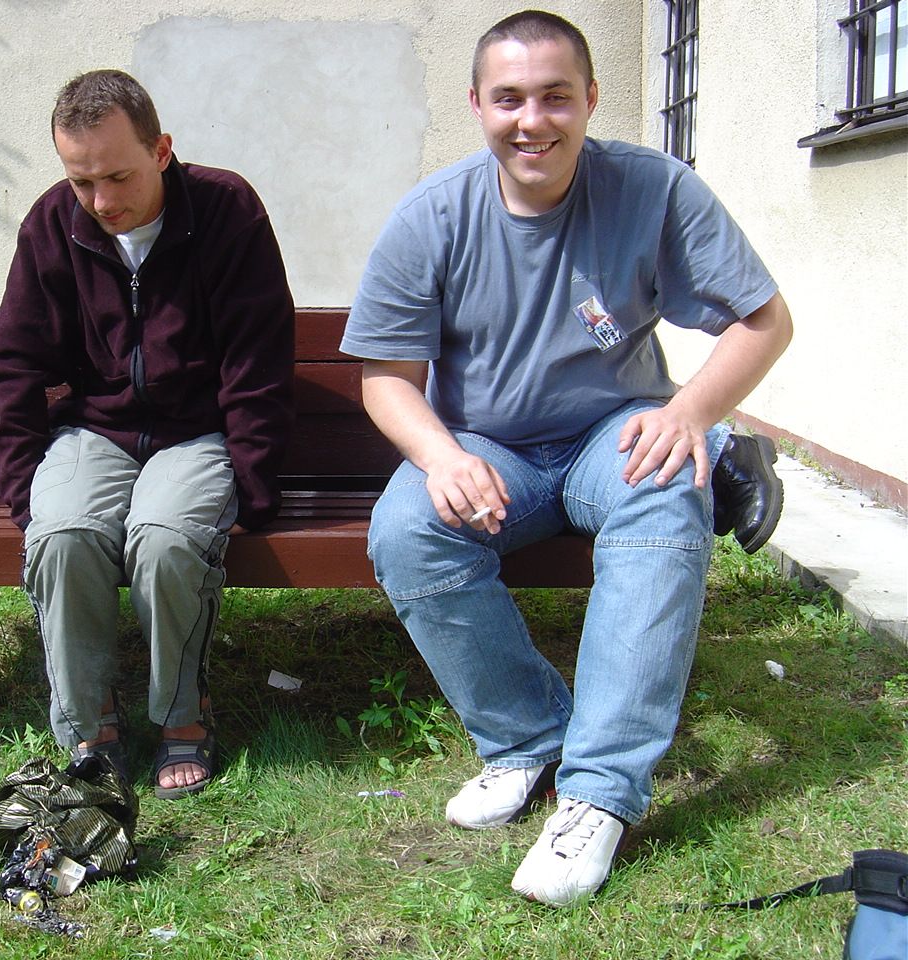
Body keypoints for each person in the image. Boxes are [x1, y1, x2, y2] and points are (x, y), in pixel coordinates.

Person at [341, 10, 791, 905]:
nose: (532, 120)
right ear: (477, 104)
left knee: (666, 484)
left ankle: (598, 793)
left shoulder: (653, 189)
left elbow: (764, 320)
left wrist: (691, 413)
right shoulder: (432, 216)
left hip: (610, 431)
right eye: (509, 98)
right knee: (407, 529)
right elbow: (386, 377)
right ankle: (526, 737)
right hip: (487, 446)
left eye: (555, 96)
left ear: (590, 97)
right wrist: (440, 457)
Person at [0, 70, 293, 799]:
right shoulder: (51, 223)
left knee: (164, 539)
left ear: (161, 150)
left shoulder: (226, 209)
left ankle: (183, 716)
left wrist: (252, 483)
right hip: (95, 429)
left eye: (117, 176)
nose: (100, 202)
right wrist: (24, 489)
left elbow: (256, 357)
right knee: (61, 535)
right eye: (81, 181)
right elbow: (15, 362)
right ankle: (89, 728)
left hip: (197, 432)